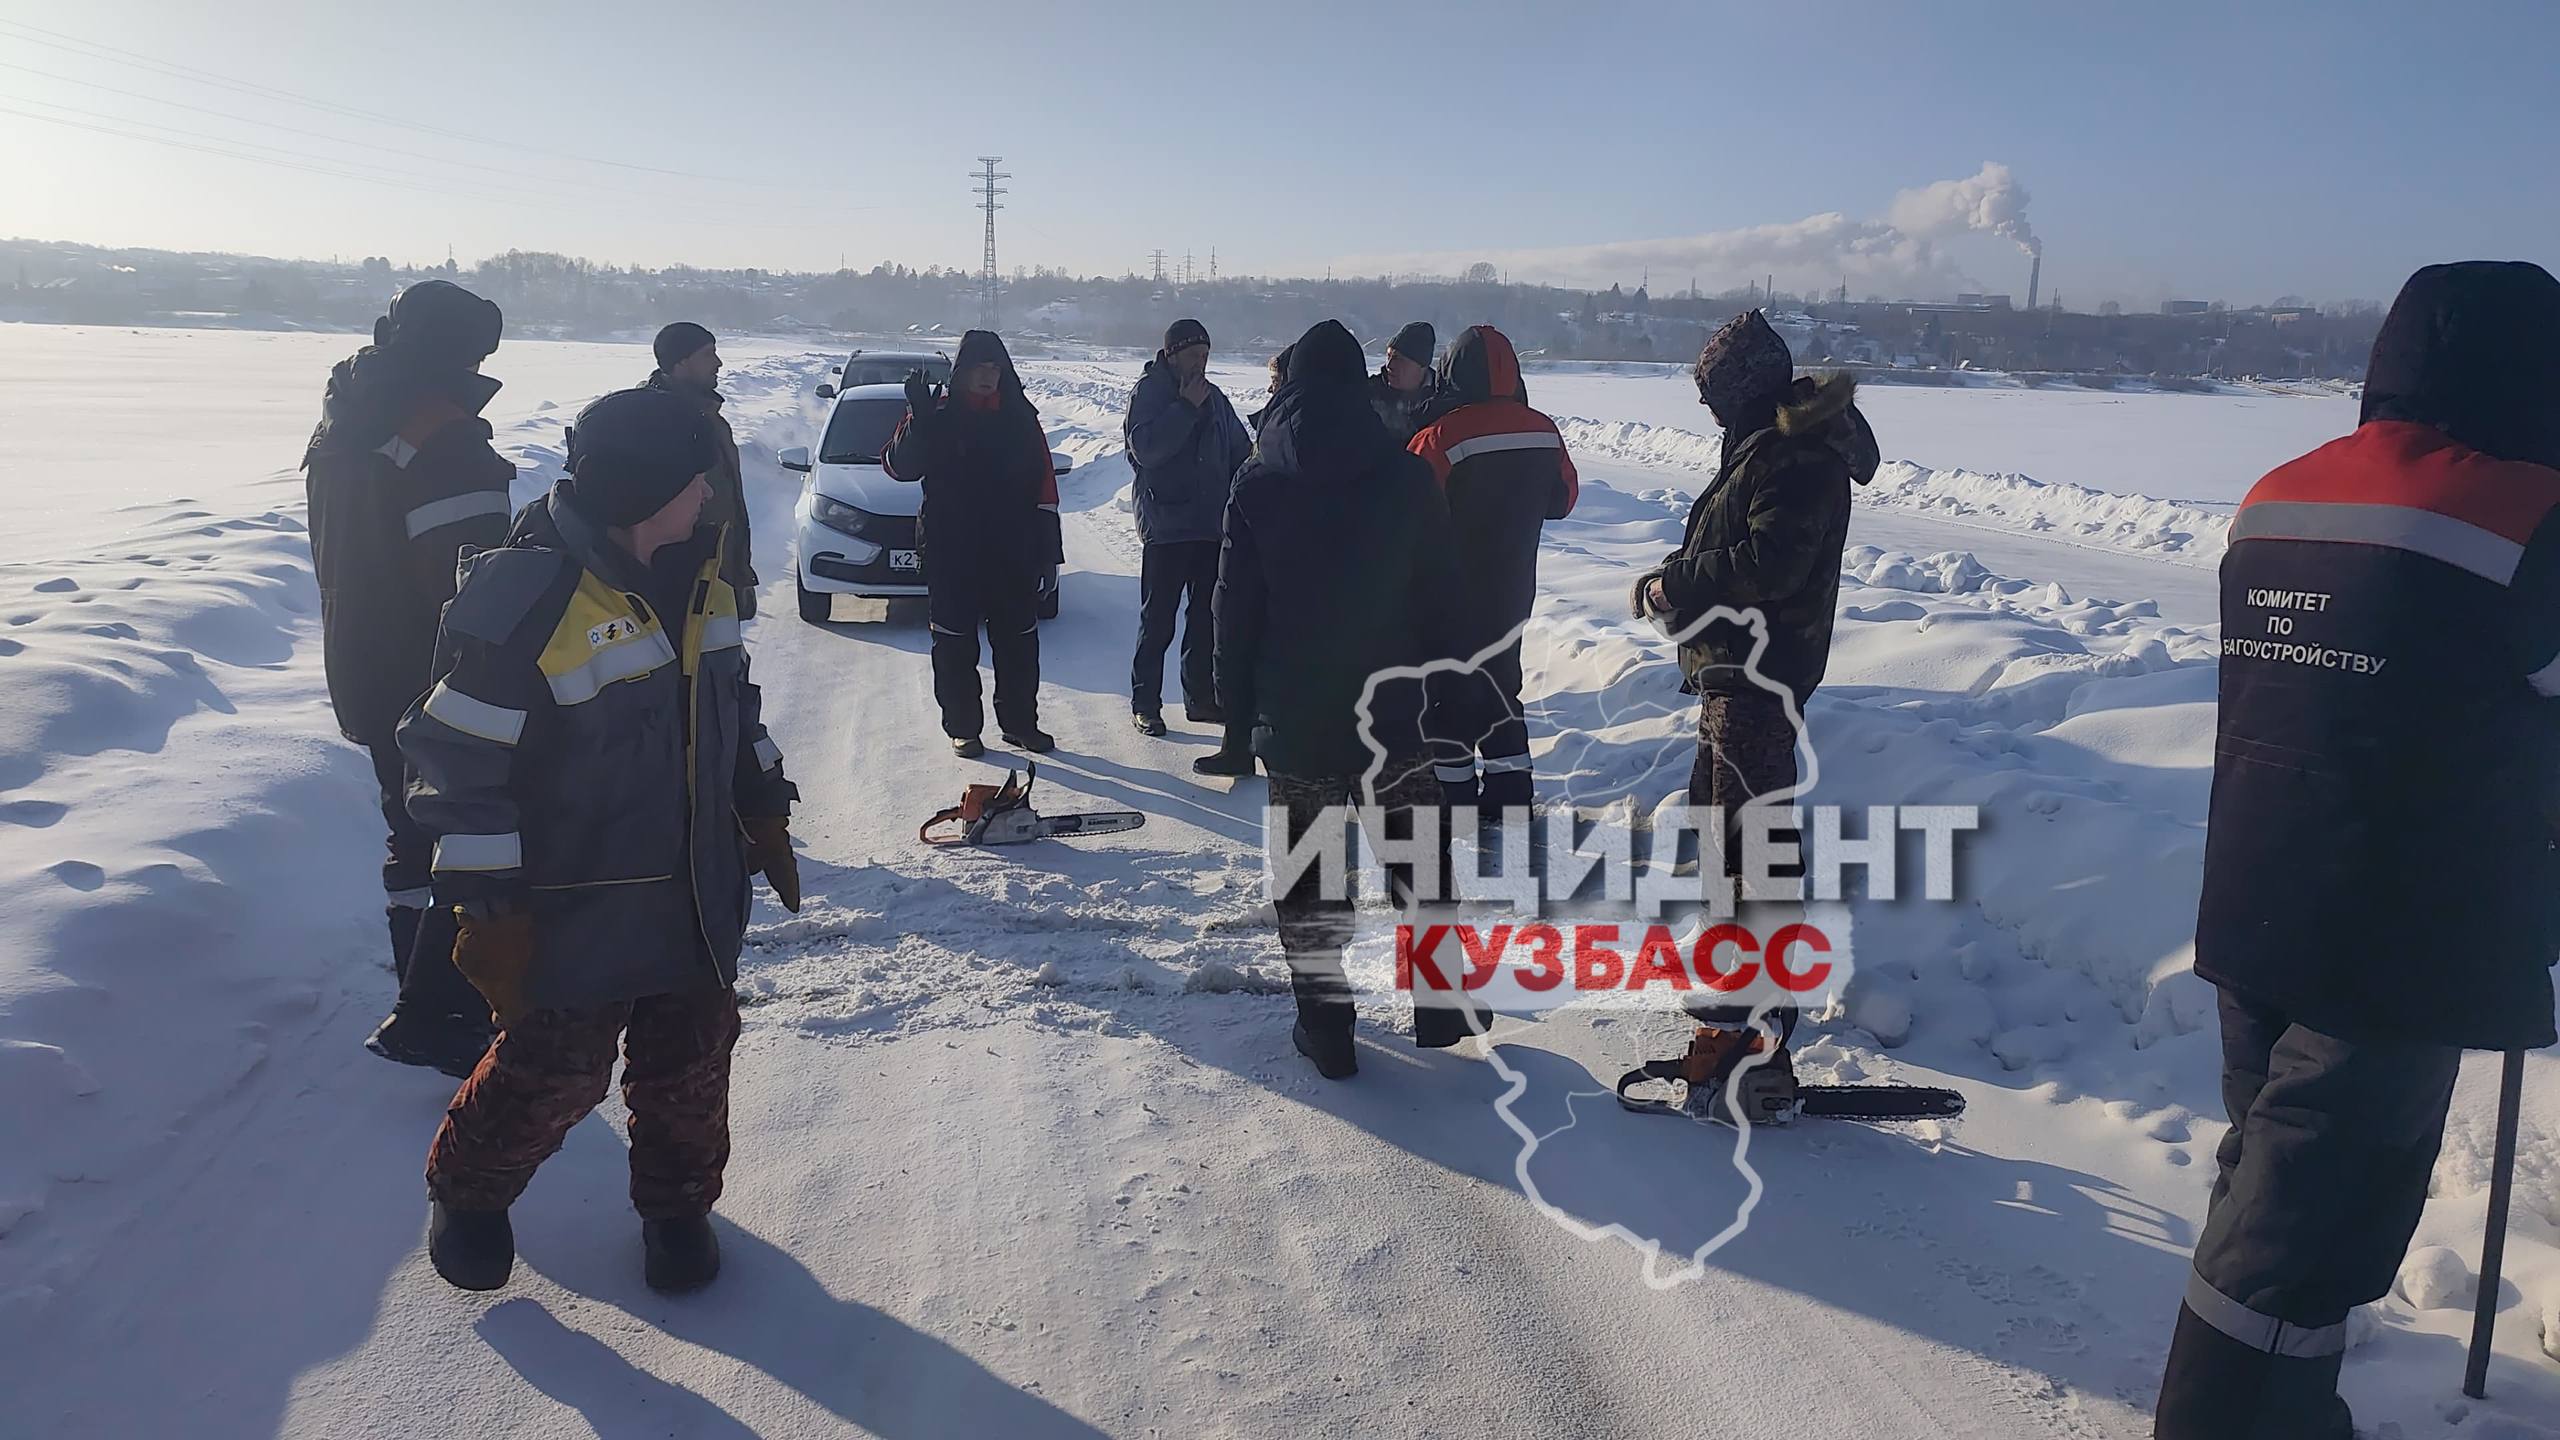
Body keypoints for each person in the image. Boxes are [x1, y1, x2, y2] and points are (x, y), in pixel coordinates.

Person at [2152, 261, 2560, 1438]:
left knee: (2267, 1195)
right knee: (2293, 1241)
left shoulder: (2274, 493)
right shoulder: (2527, 516)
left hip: (2254, 907)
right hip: (2397, 934)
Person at [399, 385, 801, 1294]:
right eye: (695, 480)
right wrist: (488, 905)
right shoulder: (531, 596)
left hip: (694, 892)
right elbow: (455, 762)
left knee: (690, 1065)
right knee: (557, 1072)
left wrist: (764, 796)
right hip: (575, 907)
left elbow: (734, 708)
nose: (710, 497)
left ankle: (677, 1213)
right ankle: (467, 1194)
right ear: (646, 488)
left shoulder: (710, 577)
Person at [1204, 319, 1479, 1076]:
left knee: (1312, 873)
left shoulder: (1258, 481)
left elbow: (1234, 609)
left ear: (1289, 386)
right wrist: (1452, 690)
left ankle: (1326, 1030)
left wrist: (1237, 708)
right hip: (1390, 711)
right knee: (1418, 855)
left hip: (1297, 717)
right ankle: (1443, 997)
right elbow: (1442, 597)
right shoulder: (1405, 477)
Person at [1636, 310, 1876, 1040]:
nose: (1706, 408)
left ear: (1742, 390)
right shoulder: (1763, 446)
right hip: (1732, 670)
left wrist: (1677, 584)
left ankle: (1765, 997)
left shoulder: (1794, 455)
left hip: (1761, 671)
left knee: (1755, 837)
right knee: (1720, 827)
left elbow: (1771, 564)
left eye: (1713, 394)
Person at [303, 279, 514, 1078]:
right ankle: (444, 1012)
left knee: (411, 832)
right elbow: (473, 585)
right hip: (436, 674)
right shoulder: (442, 438)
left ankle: (428, 1002)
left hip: (359, 661)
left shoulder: (346, 420)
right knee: (469, 836)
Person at [1406, 324, 1579, 815]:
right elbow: (1564, 500)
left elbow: (1407, 508)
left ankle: (1453, 796)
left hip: (1449, 594)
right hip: (1512, 588)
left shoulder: (1439, 435)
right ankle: (1510, 795)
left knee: (1449, 693)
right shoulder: (1544, 429)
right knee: (1502, 687)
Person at [883, 330, 1061, 757]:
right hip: (953, 551)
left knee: (1019, 644)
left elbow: (1045, 488)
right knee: (954, 643)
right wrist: (918, 420)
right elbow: (897, 467)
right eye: (979, 368)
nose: (987, 376)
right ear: (960, 373)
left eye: (994, 368)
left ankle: (1020, 725)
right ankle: (963, 728)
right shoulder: (936, 414)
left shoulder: (1021, 417)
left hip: (1011, 551)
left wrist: (1046, 555)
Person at [1123, 318, 1252, 737]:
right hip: (1166, 527)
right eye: (1195, 356)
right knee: (1157, 621)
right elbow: (1146, 449)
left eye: (1207, 356)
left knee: (1203, 620)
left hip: (1209, 527)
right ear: (1173, 354)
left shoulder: (1214, 398)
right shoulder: (1150, 393)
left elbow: (1239, 451)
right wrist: (1184, 409)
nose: (1201, 364)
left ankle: (1199, 699)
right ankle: (1146, 704)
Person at [645, 322, 758, 619]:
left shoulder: (708, 418)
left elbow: (726, 504)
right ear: (681, 362)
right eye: (708, 354)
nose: (718, 362)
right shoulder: (654, 421)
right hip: (680, 589)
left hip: (715, 582)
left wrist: (737, 577)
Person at [1371, 321, 1438, 445]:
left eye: (1398, 359)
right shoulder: (1370, 392)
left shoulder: (1441, 398)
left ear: (1421, 365)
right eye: (1389, 356)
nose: (1389, 365)